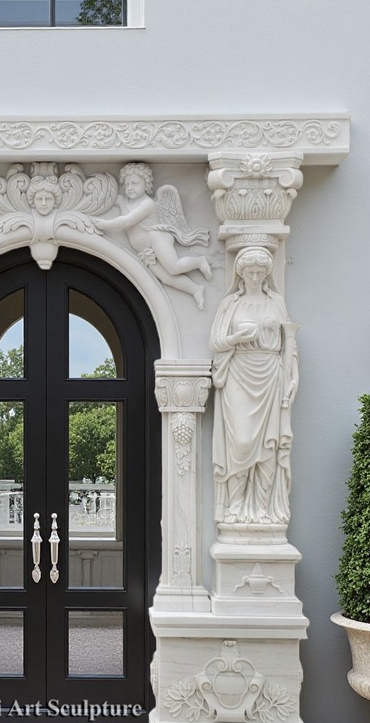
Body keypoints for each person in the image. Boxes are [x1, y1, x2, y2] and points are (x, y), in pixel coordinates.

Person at [210, 247, 299, 525]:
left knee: (269, 446)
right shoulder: (231, 305)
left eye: (261, 272)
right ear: (241, 273)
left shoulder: (276, 302)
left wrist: (292, 376)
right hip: (239, 371)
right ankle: (234, 507)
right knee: (242, 442)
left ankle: (263, 510)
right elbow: (216, 343)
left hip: (271, 373)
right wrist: (236, 337)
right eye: (250, 272)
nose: (255, 276)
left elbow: (289, 345)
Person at [93, 163, 210, 307]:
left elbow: (127, 221)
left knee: (174, 267)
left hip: (156, 239)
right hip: (145, 251)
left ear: (146, 184)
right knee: (166, 278)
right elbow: (107, 195)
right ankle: (195, 289)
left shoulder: (147, 204)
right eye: (127, 183)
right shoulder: (123, 201)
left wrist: (105, 225)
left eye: (135, 183)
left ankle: (199, 261)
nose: (130, 187)